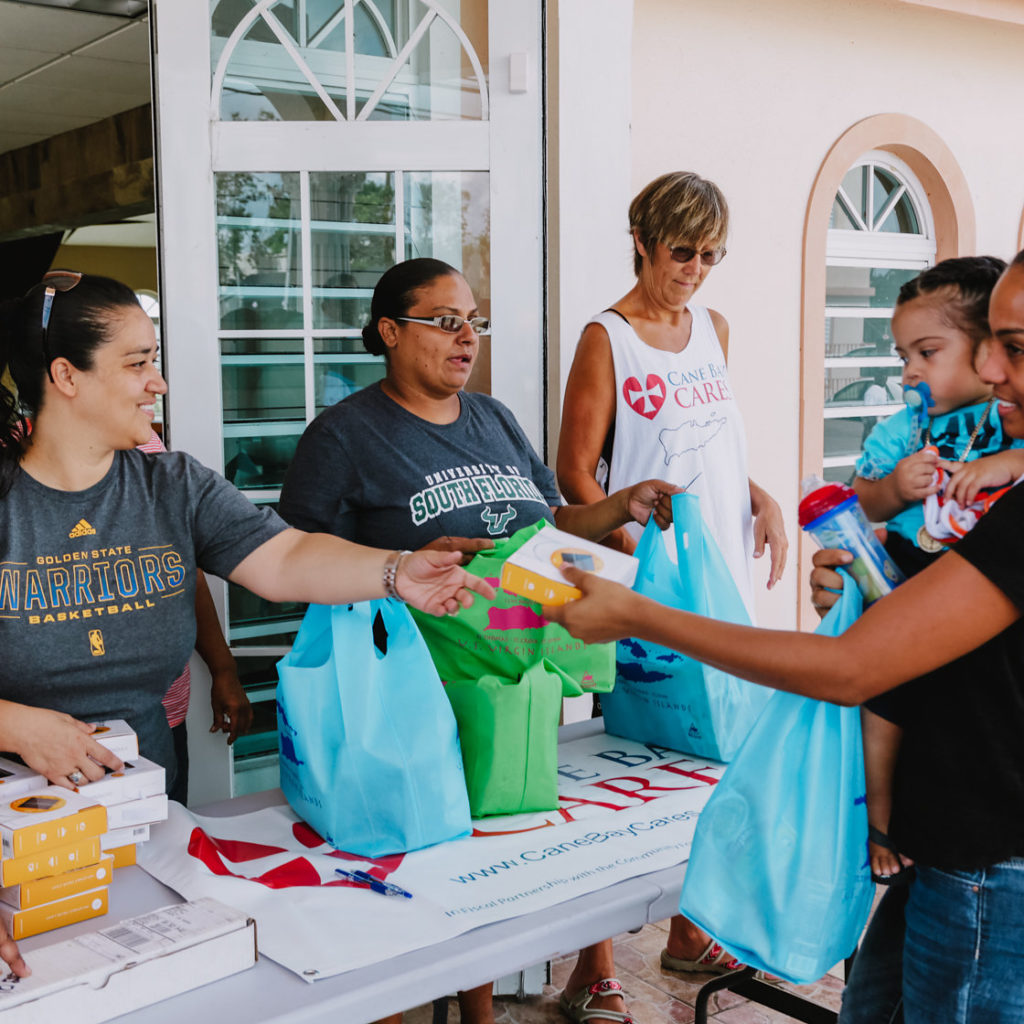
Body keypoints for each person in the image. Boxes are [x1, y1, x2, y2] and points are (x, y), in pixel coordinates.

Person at [544, 251, 1024, 1023]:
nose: (995, 369)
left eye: (1016, 347)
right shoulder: (951, 455)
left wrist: (635, 614)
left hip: (990, 871)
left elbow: (850, 670)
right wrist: (873, 575)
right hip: (948, 851)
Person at [0, 271, 494, 979]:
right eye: (138, 363)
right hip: (12, 857)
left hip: (144, 826)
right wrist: (17, 727)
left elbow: (286, 557)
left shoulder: (172, 485)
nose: (159, 382)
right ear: (65, 377)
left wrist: (394, 571)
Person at [280, 258, 679, 1024]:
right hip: (420, 684)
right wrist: (408, 570)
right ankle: (464, 1005)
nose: (467, 337)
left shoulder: (492, 418)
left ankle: (539, 985)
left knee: (514, 832)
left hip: (519, 658)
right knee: (442, 850)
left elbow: (552, 522)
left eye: (475, 322)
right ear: (390, 332)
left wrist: (620, 504)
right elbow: (302, 562)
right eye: (445, 320)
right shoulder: (344, 436)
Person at [556, 171, 787, 978]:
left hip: (724, 577)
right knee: (635, 765)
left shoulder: (713, 327)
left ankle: (690, 929)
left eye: (711, 255)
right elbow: (575, 474)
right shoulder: (605, 338)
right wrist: (626, 534)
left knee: (714, 756)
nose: (695, 269)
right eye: (683, 251)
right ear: (644, 242)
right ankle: (598, 964)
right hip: (655, 584)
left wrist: (758, 496)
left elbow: (714, 437)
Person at [851, 256, 1024, 884]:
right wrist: (895, 490)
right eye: (904, 357)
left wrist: (1003, 466)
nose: (910, 371)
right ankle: (882, 820)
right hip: (905, 571)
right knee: (883, 705)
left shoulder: (1008, 430)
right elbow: (861, 499)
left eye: (927, 351)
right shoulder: (906, 430)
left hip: (970, 589)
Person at [137, 429, 253, 806]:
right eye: (135, 366)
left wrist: (223, 669)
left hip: (161, 715)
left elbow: (185, 569)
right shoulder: (16, 458)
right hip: (47, 737)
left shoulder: (149, 452)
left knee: (165, 850)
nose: (158, 385)